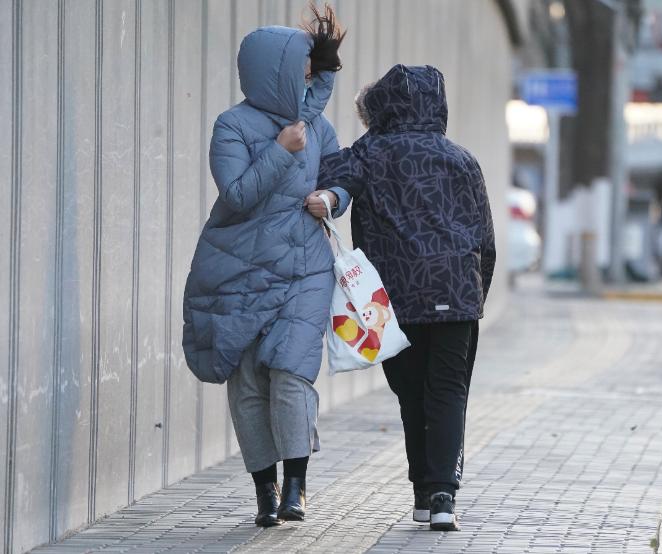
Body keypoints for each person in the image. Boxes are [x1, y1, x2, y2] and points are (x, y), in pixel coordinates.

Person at [307, 65, 496, 531]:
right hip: (457, 295)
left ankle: (421, 494)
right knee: (449, 393)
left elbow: (330, 179)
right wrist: (476, 297)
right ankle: (444, 497)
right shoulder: (462, 159)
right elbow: (485, 239)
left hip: (394, 300)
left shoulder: (368, 154)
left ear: (381, 108)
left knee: (411, 395)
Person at [181, 5, 346, 527]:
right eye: (300, 67)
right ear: (271, 71)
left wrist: (332, 197)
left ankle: (296, 487)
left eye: (311, 69)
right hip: (241, 267)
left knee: (291, 370)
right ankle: (264, 490)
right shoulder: (231, 126)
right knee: (249, 380)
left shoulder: (320, 129)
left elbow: (343, 182)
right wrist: (279, 150)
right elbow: (237, 193)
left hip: (306, 268)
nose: (307, 77)